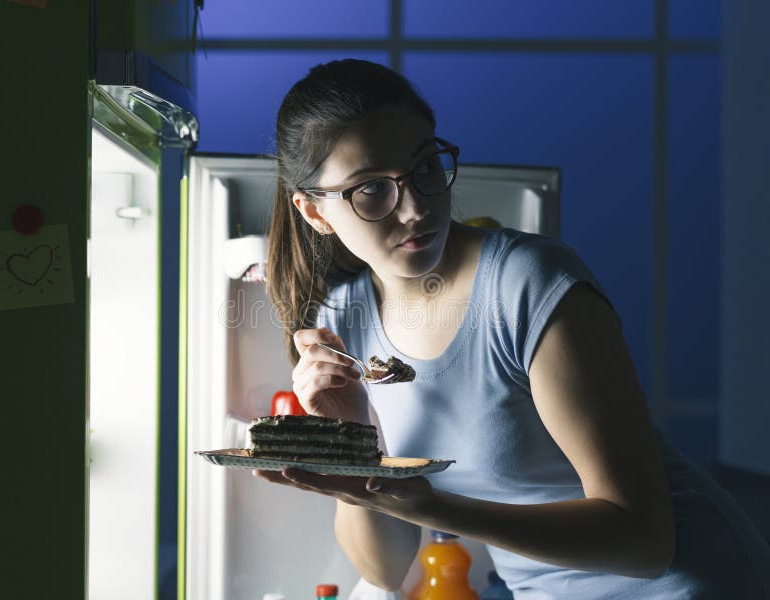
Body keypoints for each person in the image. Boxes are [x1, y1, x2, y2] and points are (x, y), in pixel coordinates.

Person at [257, 58, 770, 598]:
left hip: (688, 584)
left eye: (426, 167)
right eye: (370, 190)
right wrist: (353, 445)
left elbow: (644, 544)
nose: (413, 208)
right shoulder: (343, 323)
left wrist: (436, 508)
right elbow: (386, 569)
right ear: (313, 211)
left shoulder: (525, 283)